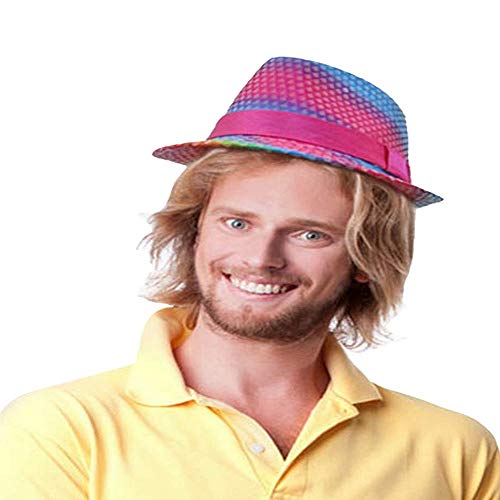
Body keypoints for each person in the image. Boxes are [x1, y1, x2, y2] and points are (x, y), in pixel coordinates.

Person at [0, 56, 498, 499]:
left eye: (309, 234)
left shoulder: (457, 452)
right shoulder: (61, 431)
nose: (261, 259)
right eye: (237, 223)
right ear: (194, 230)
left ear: (367, 258)